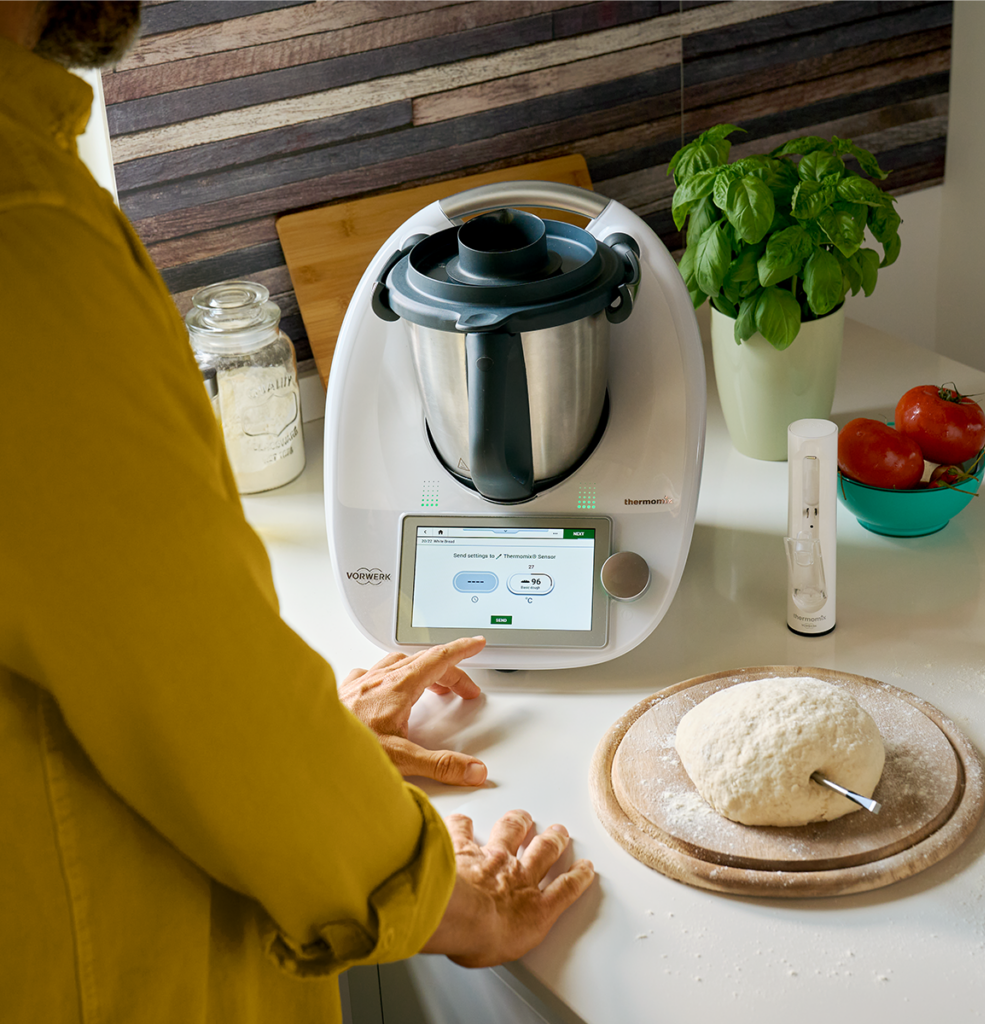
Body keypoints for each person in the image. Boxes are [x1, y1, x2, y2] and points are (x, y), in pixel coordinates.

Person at [0, 3, 595, 1021]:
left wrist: (308, 742)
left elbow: (114, 632)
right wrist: (440, 893)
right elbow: (191, 677)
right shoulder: (25, 237)